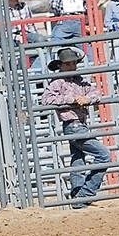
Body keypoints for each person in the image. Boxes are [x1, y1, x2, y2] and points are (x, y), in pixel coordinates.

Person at [41, 47, 109, 208]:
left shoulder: (80, 80)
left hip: (79, 124)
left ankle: (78, 198)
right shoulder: (57, 82)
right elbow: (46, 100)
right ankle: (85, 194)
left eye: (73, 63)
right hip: (73, 125)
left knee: (78, 160)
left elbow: (96, 93)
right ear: (60, 66)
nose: (72, 66)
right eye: (68, 64)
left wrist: (86, 99)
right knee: (104, 155)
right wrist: (72, 99)